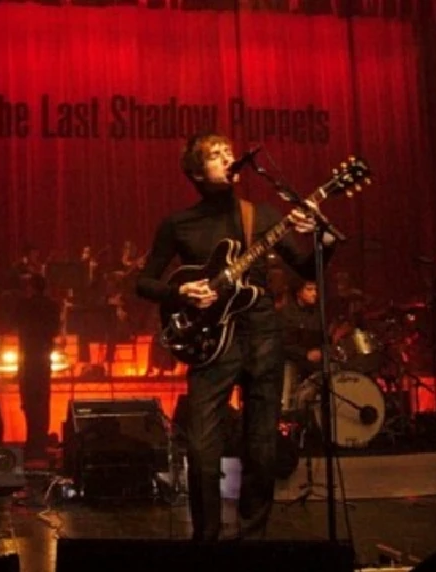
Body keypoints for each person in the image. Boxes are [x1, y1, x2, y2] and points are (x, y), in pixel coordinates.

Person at [136, 133, 335, 541]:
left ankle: (252, 539)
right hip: (210, 340)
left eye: (228, 151)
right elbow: (143, 282)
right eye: (215, 155)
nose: (228, 156)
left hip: (261, 329)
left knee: (262, 446)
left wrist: (322, 237)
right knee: (201, 446)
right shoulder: (179, 223)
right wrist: (180, 291)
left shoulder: (259, 215)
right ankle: (206, 539)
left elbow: (307, 269)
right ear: (195, 172)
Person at [12, 273, 61, 459]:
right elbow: (55, 329)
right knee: (42, 399)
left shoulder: (24, 305)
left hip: (27, 357)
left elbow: (14, 323)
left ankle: (32, 440)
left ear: (31, 287)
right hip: (43, 356)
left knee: (28, 400)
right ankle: (39, 441)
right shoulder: (52, 306)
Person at [279, 279, 323, 412]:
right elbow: (283, 344)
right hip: (292, 361)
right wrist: (305, 354)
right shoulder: (287, 313)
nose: (314, 293)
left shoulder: (317, 313)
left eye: (315, 290)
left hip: (313, 365)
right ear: (299, 292)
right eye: (309, 290)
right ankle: (288, 409)